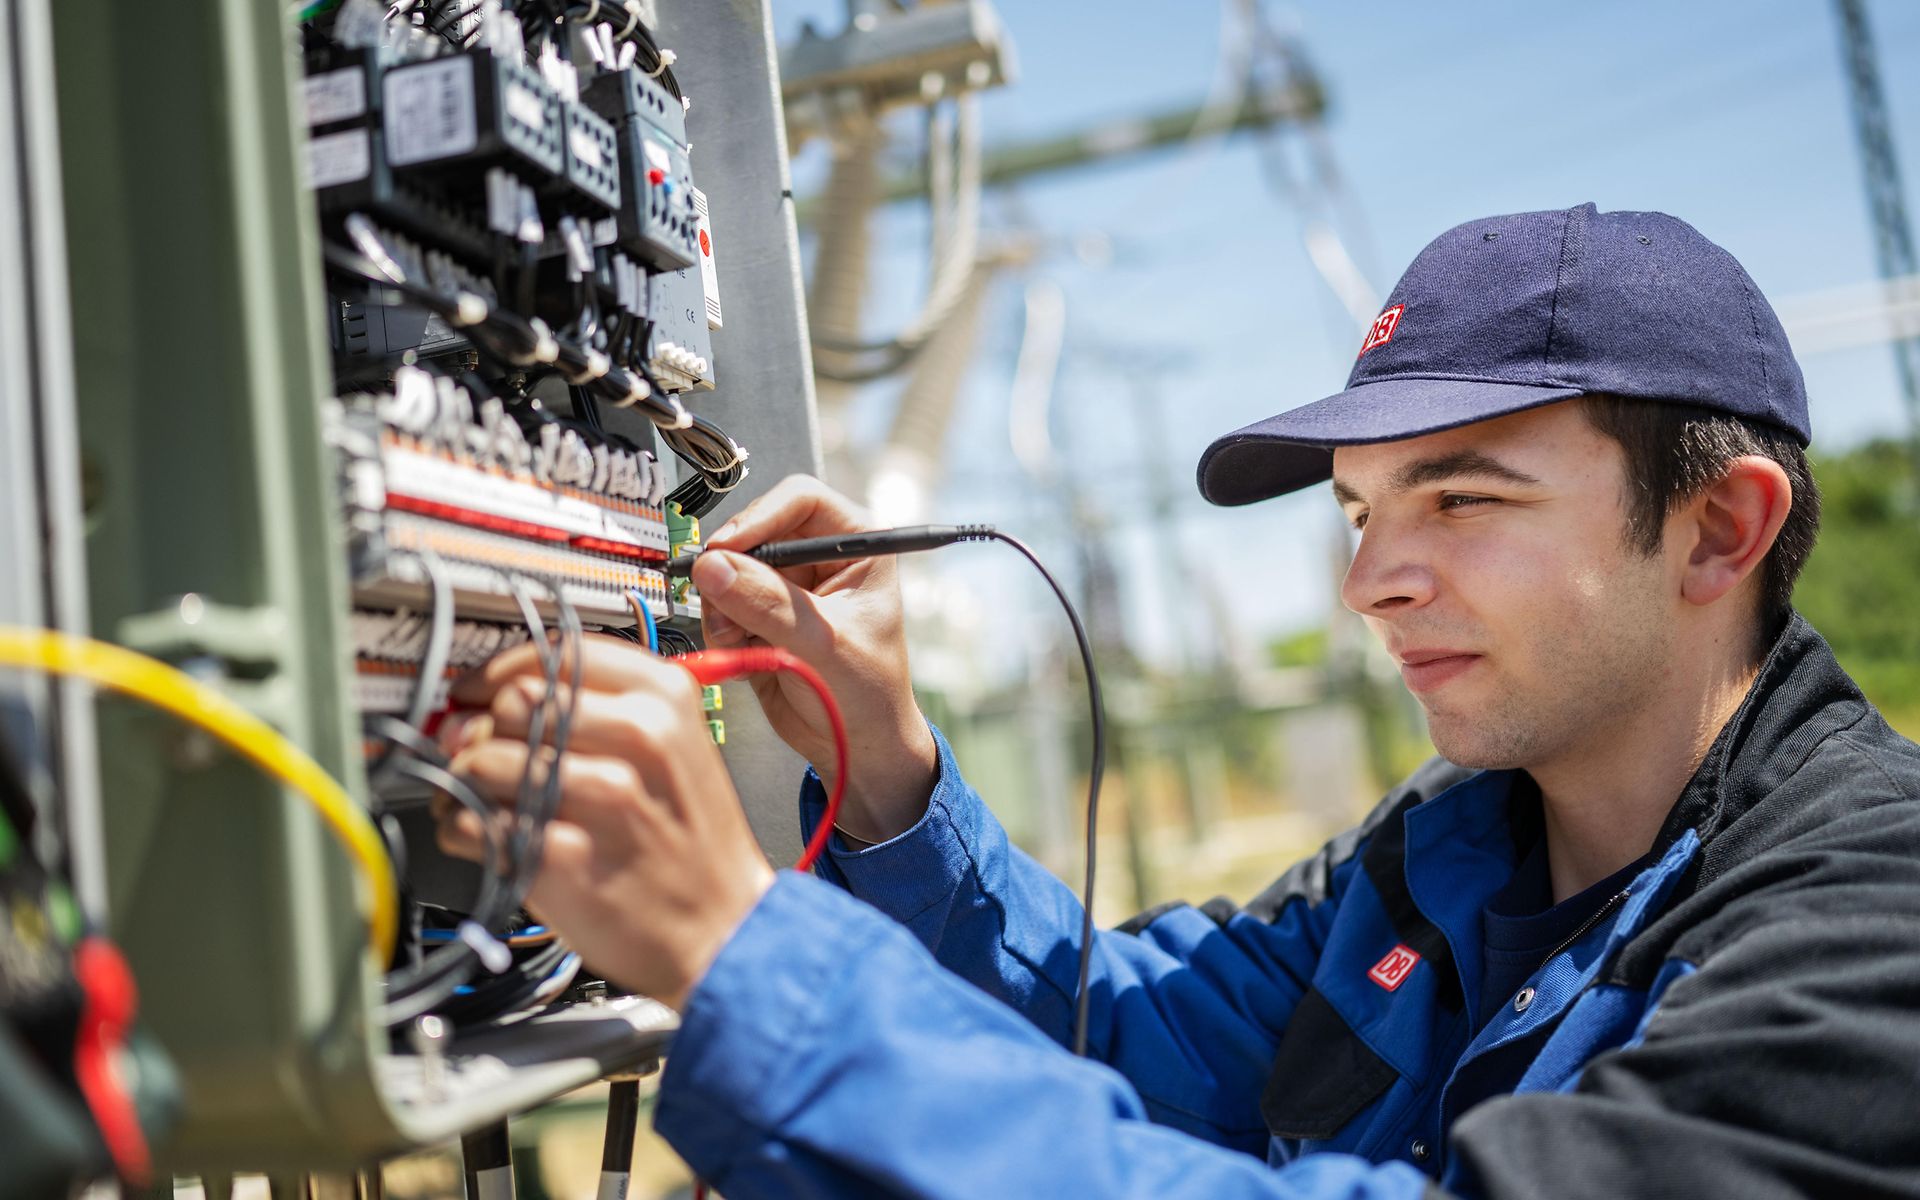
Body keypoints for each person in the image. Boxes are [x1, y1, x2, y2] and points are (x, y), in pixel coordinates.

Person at [436, 203, 1920, 1198]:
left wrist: (748, 959)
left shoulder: (1865, 931)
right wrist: (880, 763)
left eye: (1463, 498)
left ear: (1721, 529)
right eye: (1358, 515)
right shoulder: (1441, 863)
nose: (1371, 586)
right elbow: (1124, 1042)